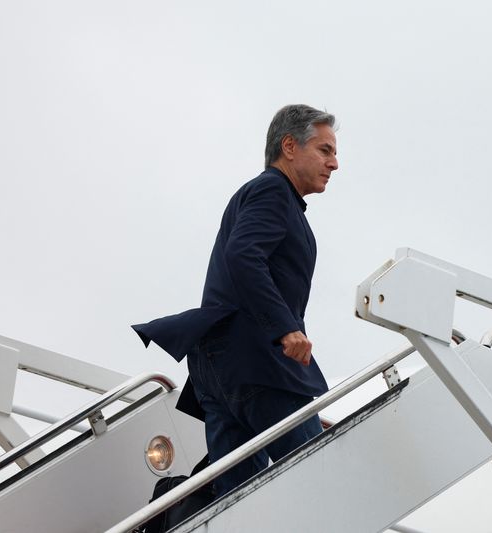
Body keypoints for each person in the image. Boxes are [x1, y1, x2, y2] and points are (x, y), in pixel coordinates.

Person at [132, 104, 338, 496]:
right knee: (321, 476)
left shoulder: (269, 196)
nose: (335, 163)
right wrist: (287, 328)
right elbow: (243, 255)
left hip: (220, 364)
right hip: (256, 362)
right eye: (325, 150)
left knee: (237, 502)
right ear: (290, 146)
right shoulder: (273, 191)